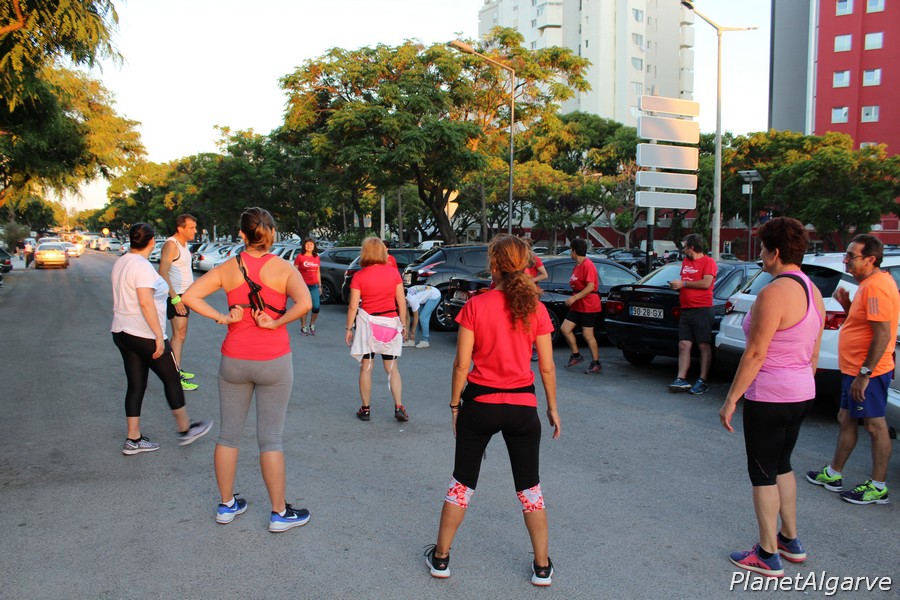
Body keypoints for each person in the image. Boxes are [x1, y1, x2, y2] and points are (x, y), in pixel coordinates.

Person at [425, 235, 560, 586]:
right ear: (525, 265)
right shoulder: (535, 308)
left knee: (462, 483)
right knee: (530, 488)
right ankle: (542, 566)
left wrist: (455, 405)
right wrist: (552, 408)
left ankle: (441, 558)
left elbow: (461, 364)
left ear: (494, 265)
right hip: (522, 407)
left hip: (480, 404)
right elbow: (547, 367)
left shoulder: (476, 305)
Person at [182, 207, 313, 532]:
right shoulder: (283, 268)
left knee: (228, 436)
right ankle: (279, 513)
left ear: (241, 234)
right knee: (271, 439)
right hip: (274, 360)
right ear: (272, 234)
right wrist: (276, 322)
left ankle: (226, 505)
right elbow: (305, 304)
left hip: (235, 360)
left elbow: (190, 295)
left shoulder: (228, 268)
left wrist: (222, 318)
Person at [719, 217, 825, 578]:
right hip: (801, 392)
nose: (760, 255)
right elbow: (813, 351)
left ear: (775, 252)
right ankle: (789, 539)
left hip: (770, 396)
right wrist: (799, 384)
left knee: (762, 473)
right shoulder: (813, 290)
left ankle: (767, 554)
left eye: (763, 249)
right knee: (782, 465)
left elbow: (755, 353)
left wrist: (731, 399)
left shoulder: (774, 292)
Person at [807, 234, 899, 506]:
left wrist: (865, 374)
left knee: (874, 425)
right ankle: (833, 473)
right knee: (846, 417)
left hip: (868, 371)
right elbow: (864, 324)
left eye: (851, 256)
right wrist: (847, 305)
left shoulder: (876, 287)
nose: (846, 260)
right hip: (854, 368)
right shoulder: (868, 285)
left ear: (870, 259)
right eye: (846, 255)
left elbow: (882, 334)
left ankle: (878, 487)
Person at [110, 223, 212, 456]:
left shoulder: (121, 262)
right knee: (172, 378)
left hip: (121, 332)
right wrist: (158, 336)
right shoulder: (143, 267)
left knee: (136, 384)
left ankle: (133, 439)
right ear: (151, 241)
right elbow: (145, 302)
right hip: (143, 333)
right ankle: (185, 429)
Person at [345, 237, 409, 422]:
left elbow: (353, 306)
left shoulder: (359, 276)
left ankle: (365, 409)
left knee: (366, 367)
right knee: (392, 367)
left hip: (367, 324)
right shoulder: (394, 273)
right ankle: (399, 406)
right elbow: (401, 302)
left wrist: (348, 328)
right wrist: (404, 325)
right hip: (390, 323)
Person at [668, 233, 718, 395]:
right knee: (684, 344)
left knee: (703, 345)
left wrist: (683, 284)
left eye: (685, 247)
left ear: (692, 247)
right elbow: (685, 281)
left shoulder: (709, 262)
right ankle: (681, 378)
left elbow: (706, 283)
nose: (683, 250)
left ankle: (702, 380)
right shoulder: (686, 262)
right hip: (686, 309)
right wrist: (677, 286)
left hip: (702, 308)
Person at [158, 214, 199, 391]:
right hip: (176, 296)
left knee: (180, 335)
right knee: (179, 335)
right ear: (180, 229)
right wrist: (175, 299)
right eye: (191, 228)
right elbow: (162, 273)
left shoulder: (184, 244)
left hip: (185, 295)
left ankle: (176, 369)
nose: (195, 231)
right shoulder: (171, 245)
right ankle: (174, 377)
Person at [559, 238, 602, 374]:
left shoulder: (588, 265)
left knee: (587, 334)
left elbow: (590, 287)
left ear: (574, 251)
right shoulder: (577, 265)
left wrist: (574, 298)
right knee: (565, 329)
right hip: (578, 304)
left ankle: (596, 363)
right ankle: (576, 355)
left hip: (589, 304)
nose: (569, 252)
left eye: (570, 249)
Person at [293, 239, 321, 335]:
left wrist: (320, 286)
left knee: (316, 307)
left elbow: (318, 272)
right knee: (304, 307)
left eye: (311, 244)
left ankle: (312, 324)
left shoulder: (316, 257)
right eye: (307, 244)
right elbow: (295, 272)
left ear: (314, 246)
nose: (309, 246)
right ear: (304, 246)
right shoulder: (300, 257)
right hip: (303, 286)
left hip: (314, 286)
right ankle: (303, 327)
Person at [402, 284, 442, 348]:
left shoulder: (412, 300)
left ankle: (425, 341)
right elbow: (407, 317)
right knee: (420, 317)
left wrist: (412, 332)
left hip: (434, 295)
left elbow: (416, 317)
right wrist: (406, 333)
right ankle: (411, 341)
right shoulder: (402, 298)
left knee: (423, 317)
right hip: (426, 294)